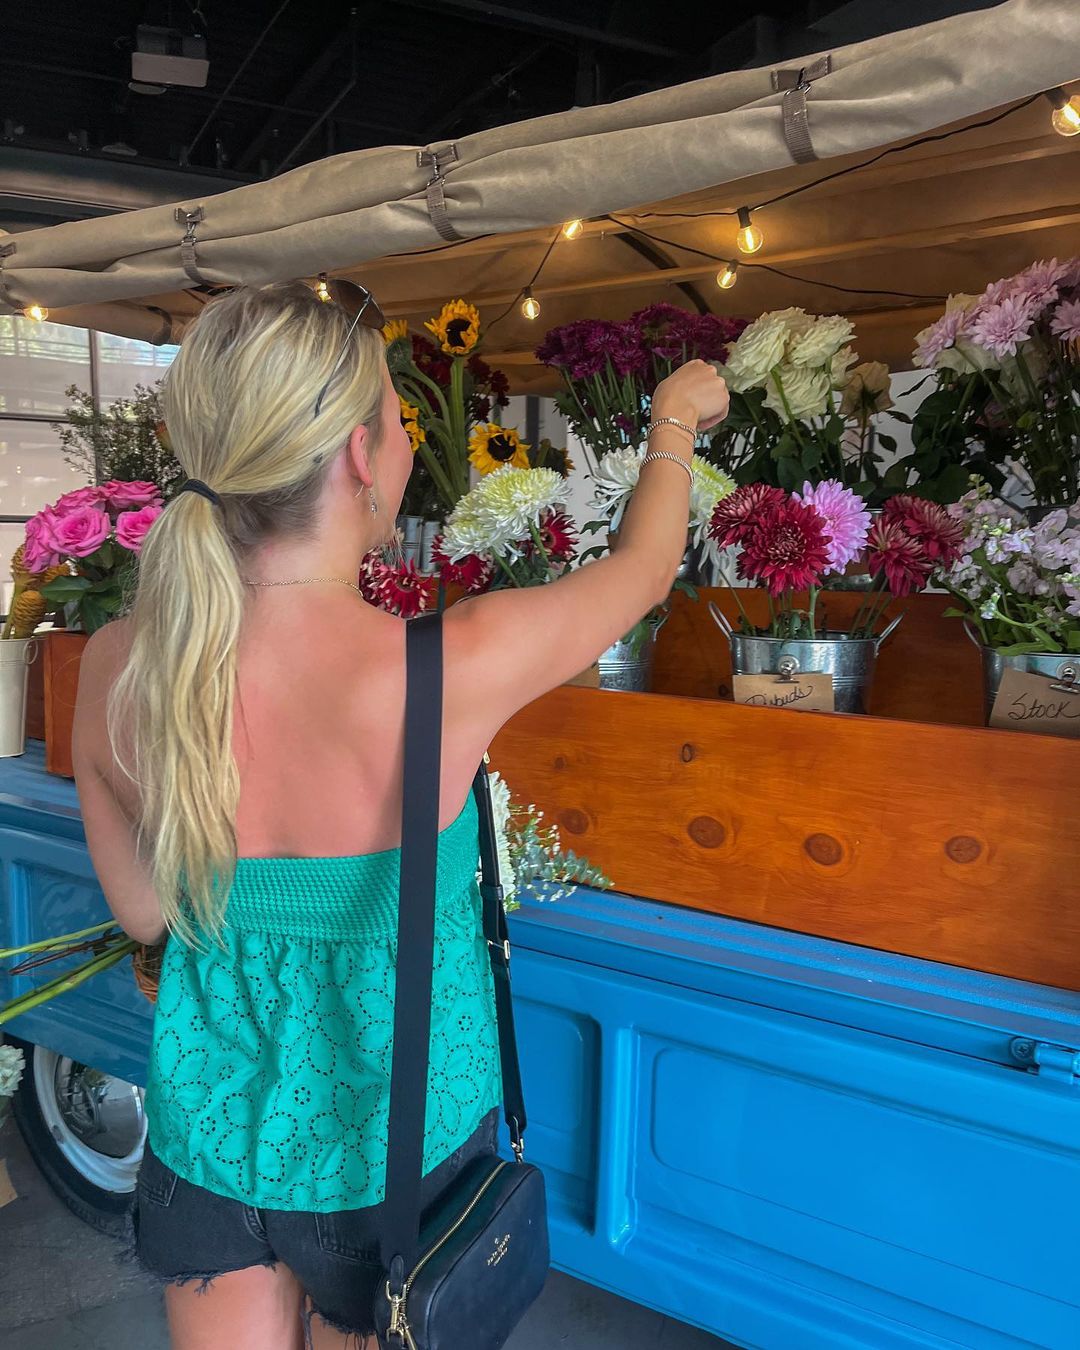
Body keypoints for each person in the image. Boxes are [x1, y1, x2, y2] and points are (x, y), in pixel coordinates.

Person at [72, 279, 729, 1350]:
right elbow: (646, 568)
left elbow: (149, 914)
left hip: (206, 1140)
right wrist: (673, 421)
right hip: (392, 1159)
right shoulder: (447, 667)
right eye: (396, 410)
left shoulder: (117, 665)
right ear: (358, 456)